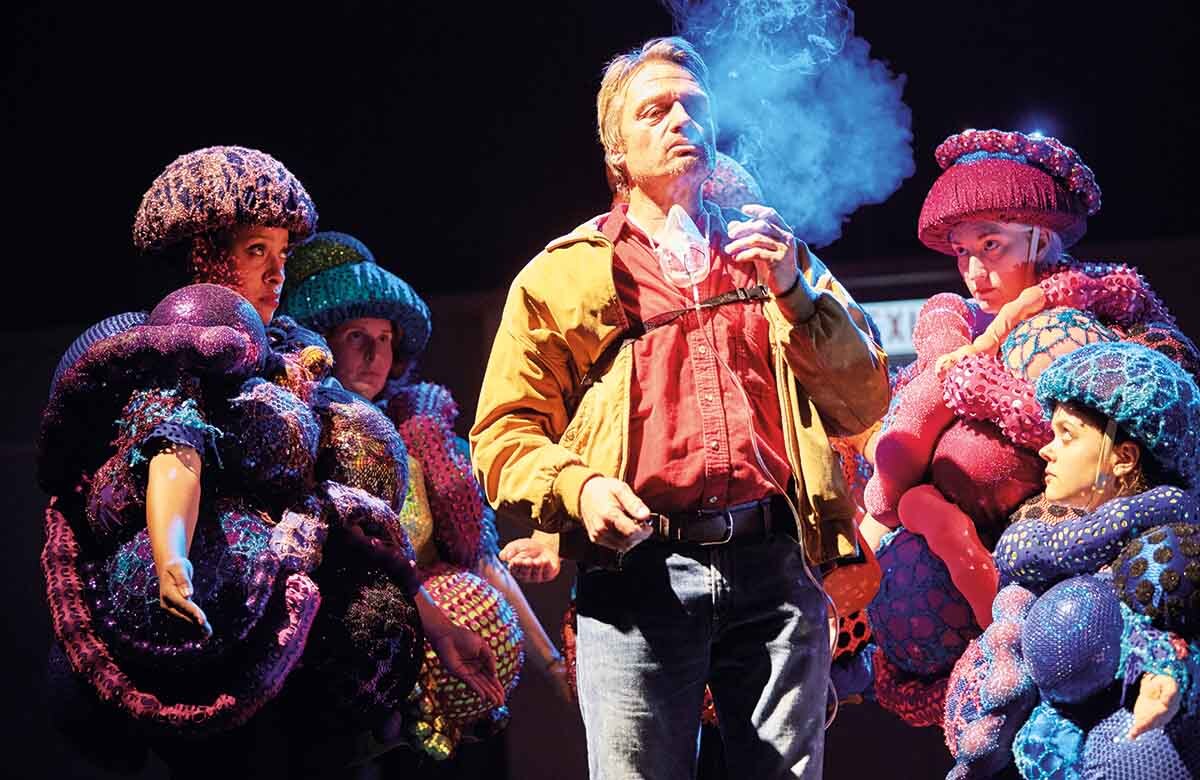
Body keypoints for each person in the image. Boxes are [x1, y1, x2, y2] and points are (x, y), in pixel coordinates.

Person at [470, 36, 889, 779]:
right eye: (655, 111)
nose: (681, 123)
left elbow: (863, 398)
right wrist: (581, 486)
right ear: (617, 153)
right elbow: (503, 432)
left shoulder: (770, 252)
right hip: (639, 576)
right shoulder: (562, 276)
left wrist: (793, 290)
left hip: (774, 570)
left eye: (694, 108)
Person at [39, 146, 500, 777]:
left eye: (283, 255)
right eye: (257, 250)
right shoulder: (179, 352)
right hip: (218, 625)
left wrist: (435, 622)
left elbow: (343, 514)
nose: (277, 274)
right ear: (206, 252)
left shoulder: (298, 363)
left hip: (310, 659)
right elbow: (176, 445)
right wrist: (172, 556)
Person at [841, 129, 1190, 728]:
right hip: (989, 622)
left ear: (1041, 237)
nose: (973, 269)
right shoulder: (961, 326)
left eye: (992, 245)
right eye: (961, 250)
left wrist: (976, 386)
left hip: (1088, 588)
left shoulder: (1077, 331)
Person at [279, 230, 572, 759]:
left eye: (386, 338)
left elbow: (481, 560)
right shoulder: (295, 436)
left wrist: (553, 666)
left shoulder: (422, 439)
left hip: (428, 670)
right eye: (355, 337)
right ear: (321, 342)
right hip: (323, 667)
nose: (373, 354)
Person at [943, 341, 1200, 778]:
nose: (1047, 448)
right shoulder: (1046, 546)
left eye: (1067, 434)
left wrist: (1169, 671)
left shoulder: (1170, 556)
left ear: (1123, 458)